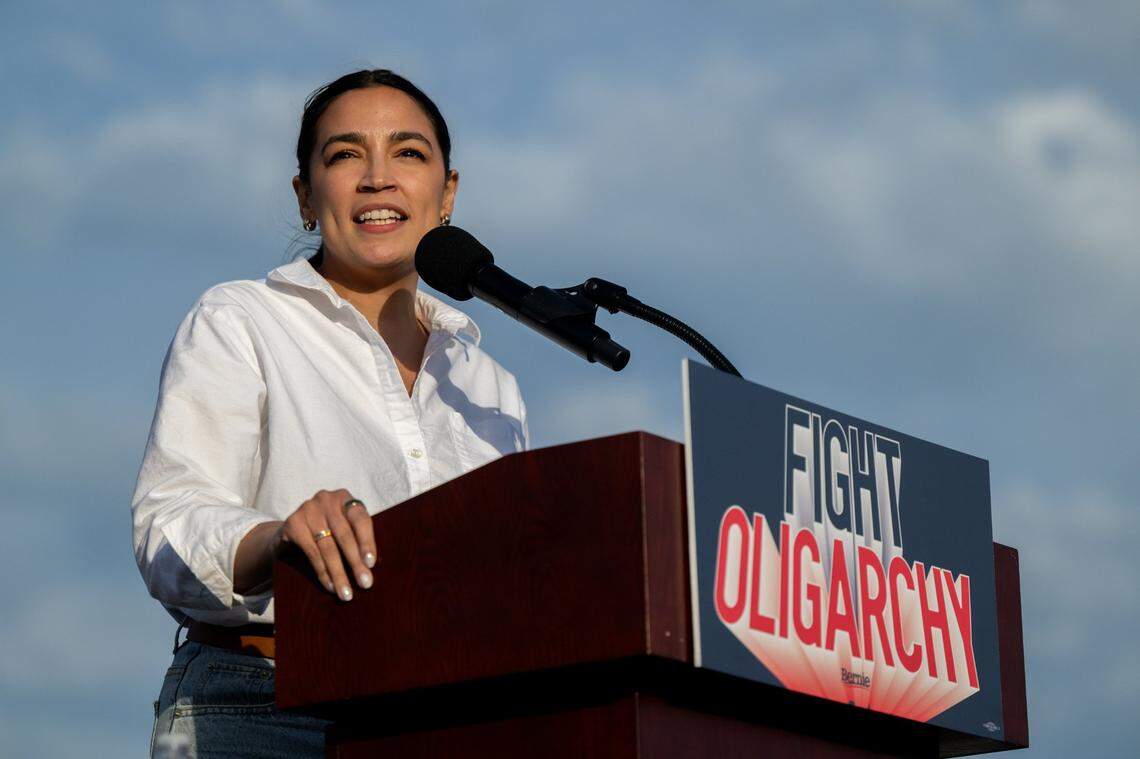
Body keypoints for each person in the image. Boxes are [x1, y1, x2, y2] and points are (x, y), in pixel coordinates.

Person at [132, 69, 528, 757]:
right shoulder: (240, 320)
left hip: (444, 720)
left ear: (448, 194)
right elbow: (168, 523)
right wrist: (277, 537)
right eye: (346, 154)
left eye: (409, 152)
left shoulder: (490, 385)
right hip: (260, 699)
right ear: (306, 197)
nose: (378, 177)